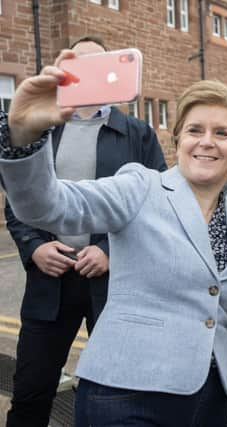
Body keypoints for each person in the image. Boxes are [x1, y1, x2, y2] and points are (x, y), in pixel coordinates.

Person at [0, 49, 227, 426]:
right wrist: (23, 134)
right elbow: (49, 205)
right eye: (195, 130)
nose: (206, 142)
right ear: (178, 140)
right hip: (128, 397)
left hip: (209, 401)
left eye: (222, 133)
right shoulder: (140, 187)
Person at [3, 36, 167, 427]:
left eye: (99, 65)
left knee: (116, 392)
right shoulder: (47, 126)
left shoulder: (137, 133)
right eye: (80, 66)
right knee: (31, 391)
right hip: (50, 281)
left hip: (112, 284)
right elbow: (18, 198)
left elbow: (155, 202)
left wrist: (110, 249)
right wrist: (34, 248)